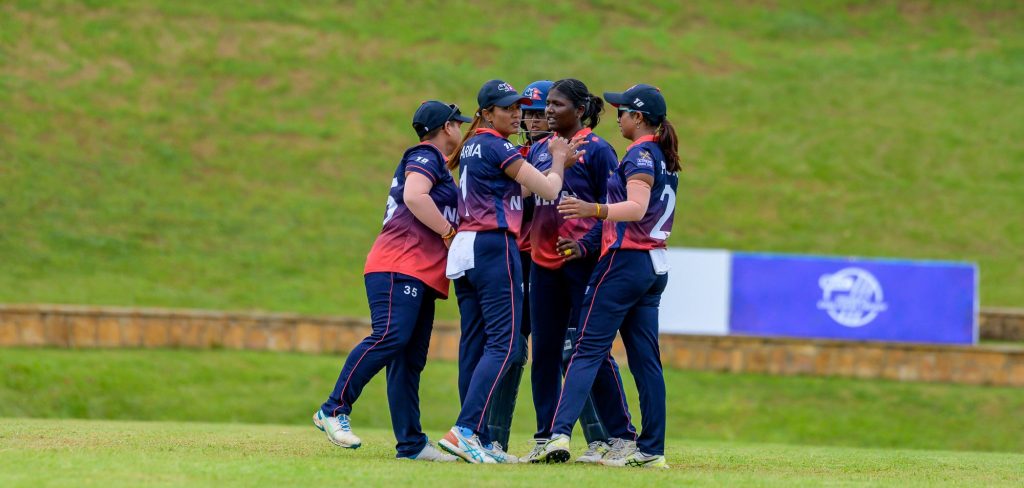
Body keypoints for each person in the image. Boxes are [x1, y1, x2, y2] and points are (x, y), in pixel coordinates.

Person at [313, 100, 470, 462]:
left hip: (421, 271)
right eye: (457, 124)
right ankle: (333, 409)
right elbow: (414, 196)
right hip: (400, 264)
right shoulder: (425, 154)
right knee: (390, 336)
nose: (460, 129)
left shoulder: (440, 165)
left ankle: (411, 444)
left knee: (408, 360)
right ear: (446, 127)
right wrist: (448, 232)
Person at [438, 79, 582, 464]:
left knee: (474, 344)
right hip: (493, 245)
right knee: (503, 344)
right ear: (487, 113)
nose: (516, 114)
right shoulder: (498, 145)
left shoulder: (473, 144)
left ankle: (480, 437)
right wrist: (558, 160)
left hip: (466, 247)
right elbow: (549, 190)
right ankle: (465, 430)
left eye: (518, 107)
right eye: (507, 108)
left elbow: (512, 192)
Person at [539, 84, 681, 469]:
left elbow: (636, 208)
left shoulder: (640, 154)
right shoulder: (662, 154)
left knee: (586, 348)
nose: (618, 118)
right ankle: (651, 450)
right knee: (646, 361)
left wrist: (593, 208)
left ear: (639, 117)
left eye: (623, 111)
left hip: (626, 262)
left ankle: (558, 435)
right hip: (653, 264)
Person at [518, 78, 638, 464]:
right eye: (548, 104)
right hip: (542, 265)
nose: (548, 111)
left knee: (590, 350)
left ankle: (619, 436)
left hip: (583, 265)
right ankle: (546, 438)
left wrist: (585, 246)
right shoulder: (541, 150)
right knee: (545, 352)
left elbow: (613, 210)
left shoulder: (599, 150)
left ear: (580, 110)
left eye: (557, 104)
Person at [483, 80, 553, 451]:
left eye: (542, 113)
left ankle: (568, 437)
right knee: (511, 348)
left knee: (562, 348)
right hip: (517, 255)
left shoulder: (563, 152)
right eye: (529, 114)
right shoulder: (512, 152)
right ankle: (493, 440)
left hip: (553, 260)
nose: (534, 120)